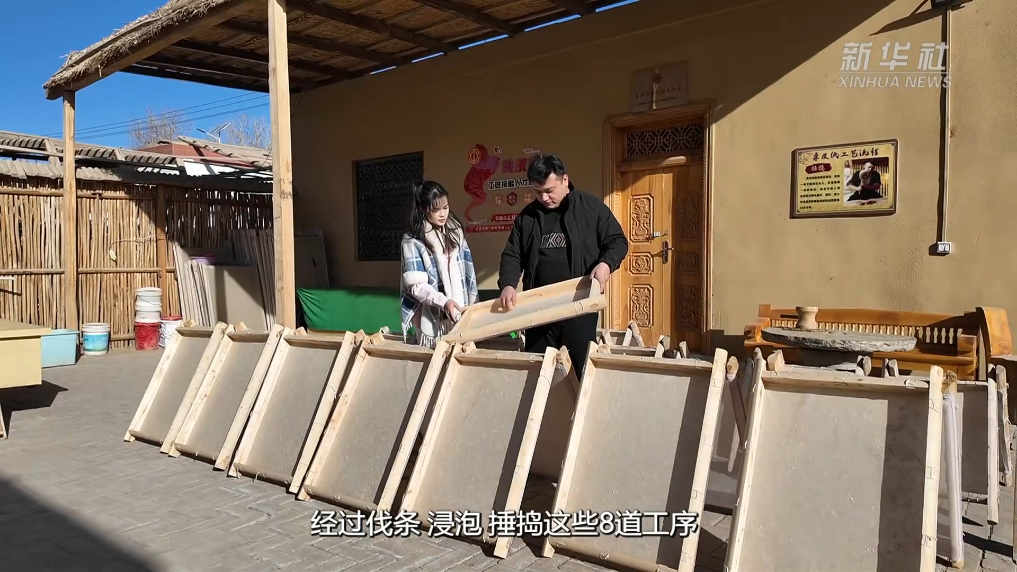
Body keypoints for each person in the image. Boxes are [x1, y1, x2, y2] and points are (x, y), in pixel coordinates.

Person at [497, 154, 628, 379]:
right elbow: (513, 254)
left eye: (549, 190)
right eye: (537, 192)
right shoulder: (528, 217)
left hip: (579, 307)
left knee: (580, 371)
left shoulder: (590, 208)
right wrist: (508, 284)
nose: (544, 198)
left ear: (565, 180)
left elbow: (617, 241)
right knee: (538, 373)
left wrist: (606, 264)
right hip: (539, 310)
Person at [400, 180, 478, 348]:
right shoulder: (413, 241)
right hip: (431, 317)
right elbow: (417, 286)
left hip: (459, 311)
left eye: (445, 207)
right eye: (435, 210)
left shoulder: (456, 233)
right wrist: (444, 302)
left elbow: (468, 272)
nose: (442, 214)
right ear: (422, 209)